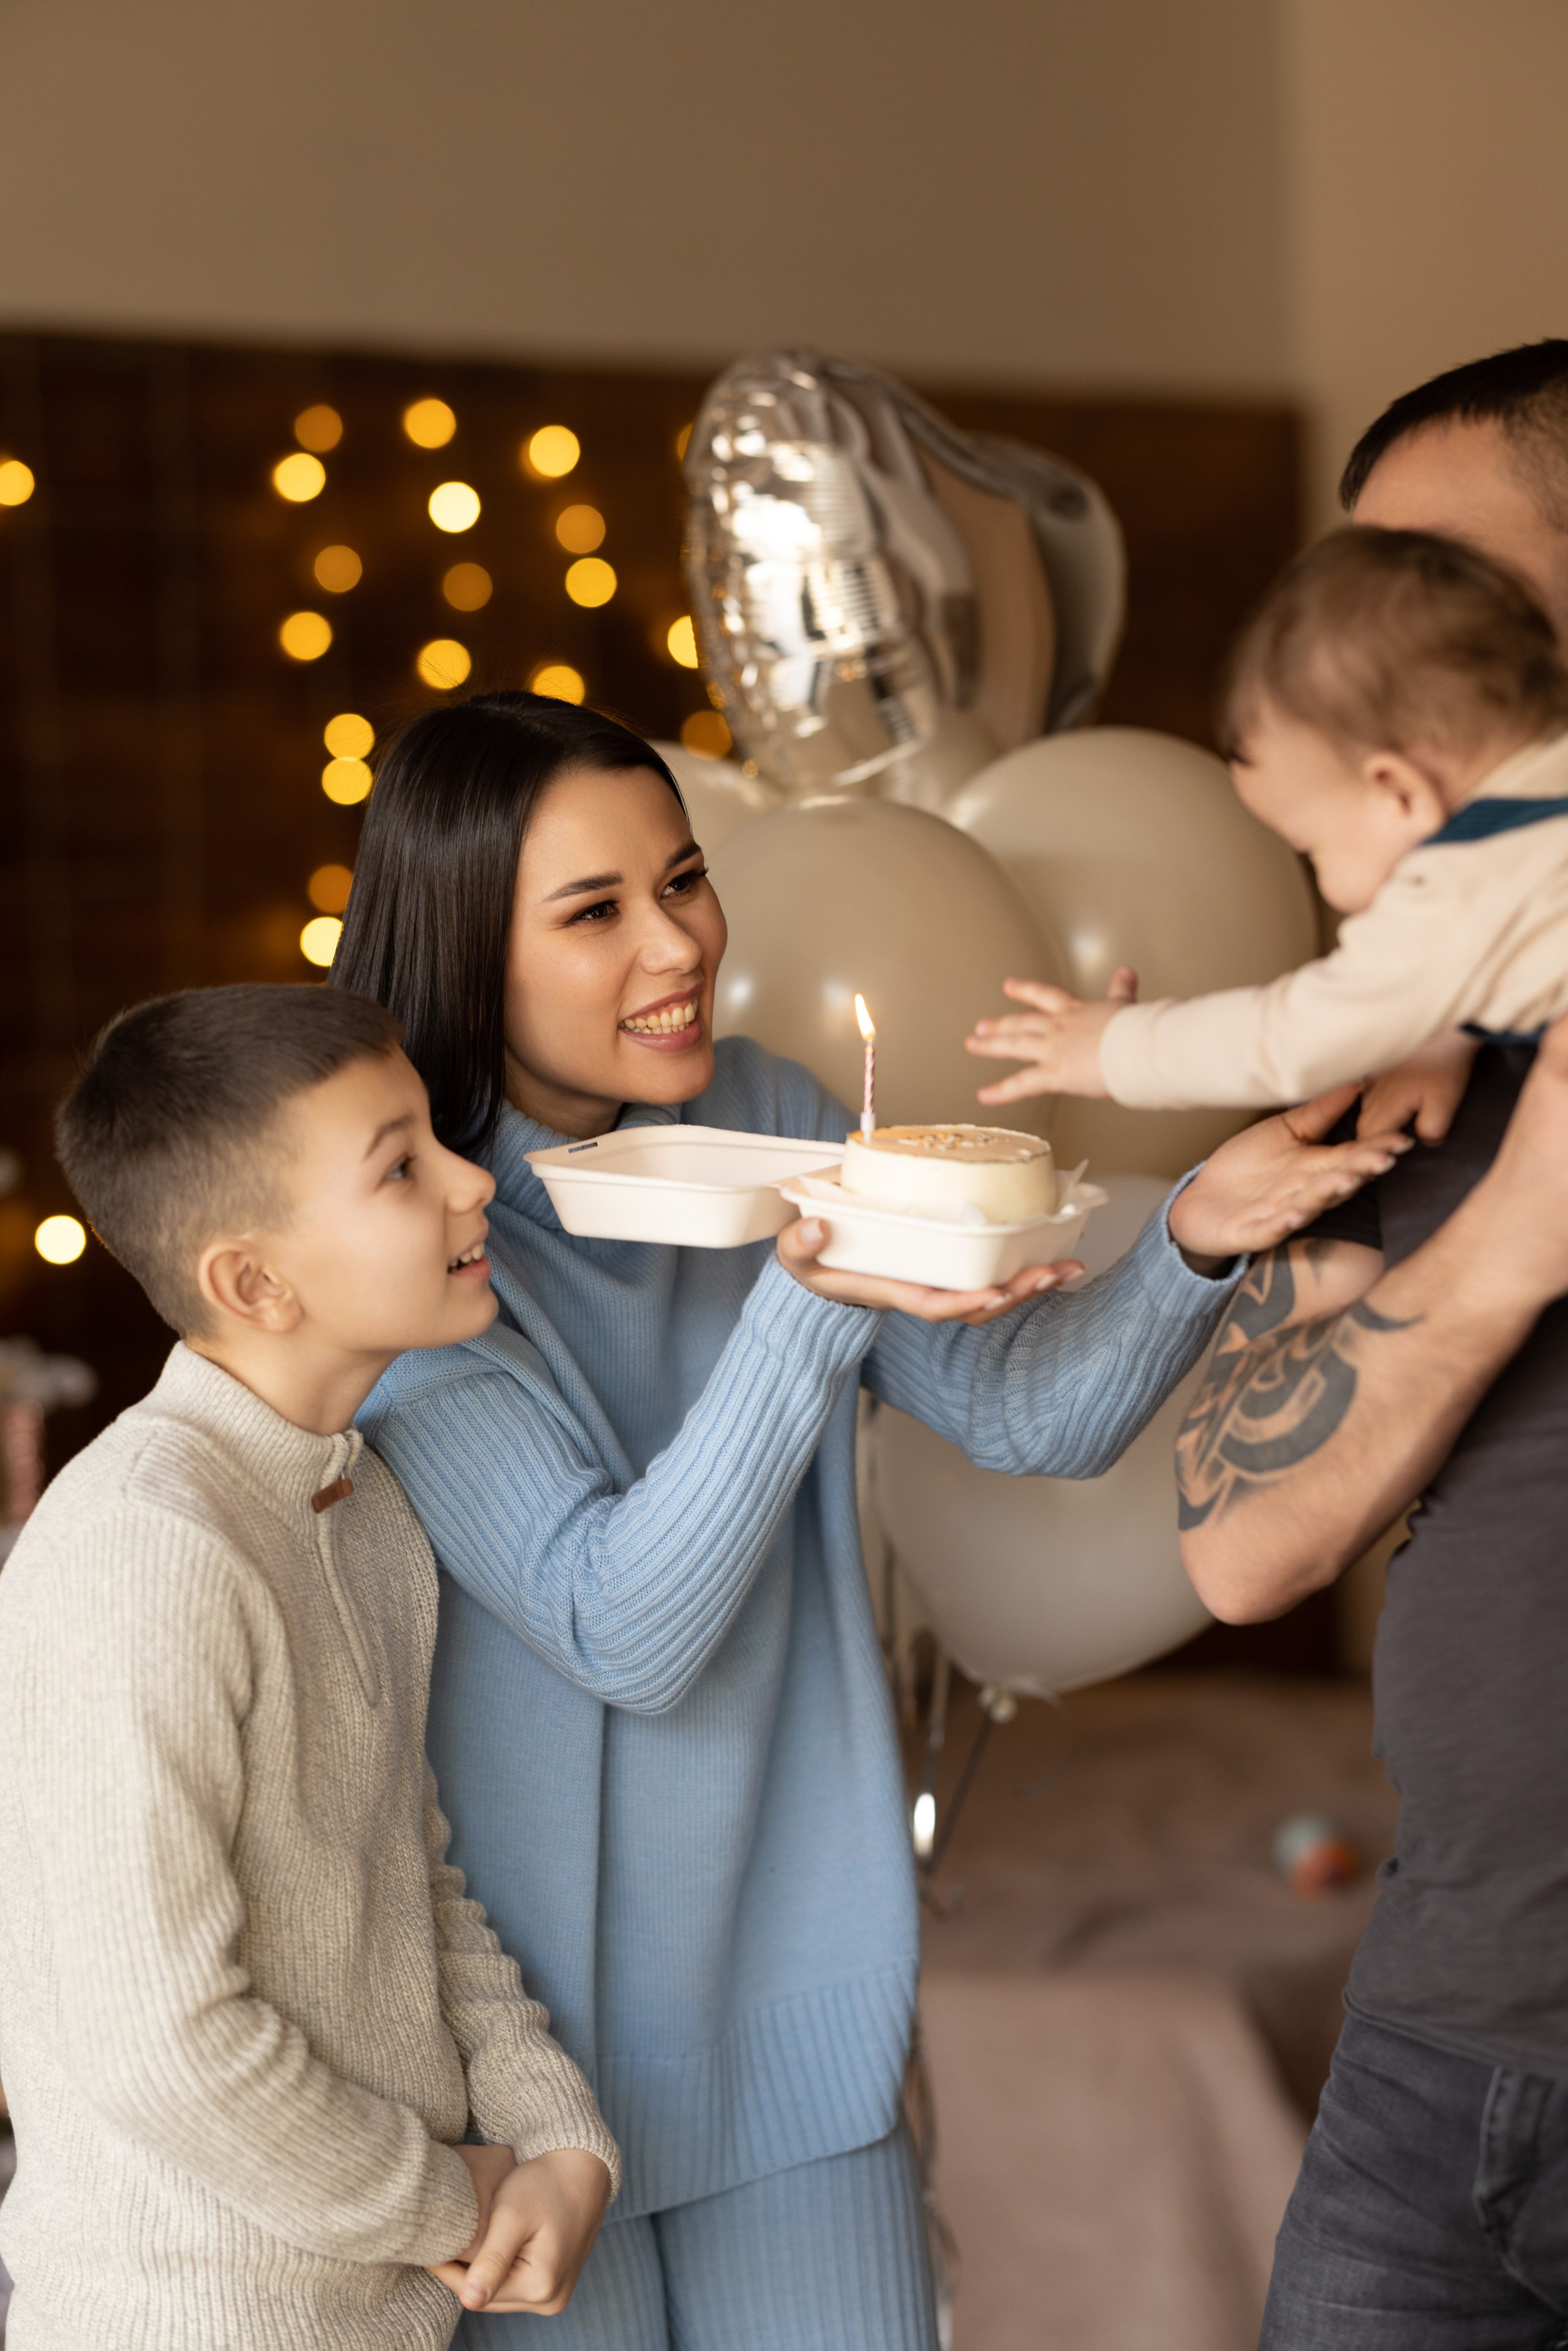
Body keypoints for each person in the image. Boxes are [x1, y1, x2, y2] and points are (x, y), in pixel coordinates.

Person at [331, 690, 1403, 2351]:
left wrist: (1202, 1222)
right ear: (475, 952)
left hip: (799, 2041)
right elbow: (626, 1622)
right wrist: (806, 1293)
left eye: (682, 876)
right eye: (596, 910)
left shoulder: (772, 1104)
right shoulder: (421, 1237)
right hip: (521, 2098)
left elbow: (1028, 1416)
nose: (678, 938)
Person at [0, 986, 619, 2351]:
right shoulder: (144, 1546)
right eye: (401, 1164)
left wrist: (555, 2132)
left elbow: (408, 1873)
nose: (472, 1182)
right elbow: (159, 2040)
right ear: (254, 1281)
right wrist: (443, 2196)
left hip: (380, 2311)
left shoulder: (359, 1505)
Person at [1176, 341, 1568, 2349]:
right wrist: (1502, 1246)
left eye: (1446, 587)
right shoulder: (1394, 1031)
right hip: (1437, 2038)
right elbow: (1239, 1536)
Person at [961, 527, 1568, 1114]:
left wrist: (1113, 1046)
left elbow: (1290, 1038)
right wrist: (1442, 1027)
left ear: (1398, 795)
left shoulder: (1452, 890)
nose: (1320, 877)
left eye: (1311, 847)